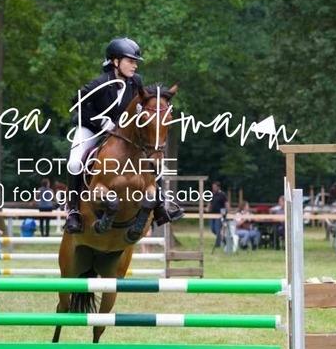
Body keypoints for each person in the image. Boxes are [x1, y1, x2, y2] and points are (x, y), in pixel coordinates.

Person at [64, 37, 183, 233]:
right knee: (75, 164)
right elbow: (76, 103)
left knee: (153, 156)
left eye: (136, 62)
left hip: (121, 130)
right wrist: (100, 121)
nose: (135, 66)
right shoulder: (101, 83)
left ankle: (160, 206)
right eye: (130, 61)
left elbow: (146, 101)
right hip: (91, 127)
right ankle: (74, 211)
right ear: (115, 61)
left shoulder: (136, 81)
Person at [207, 181, 229, 248]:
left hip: (219, 214)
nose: (213, 188)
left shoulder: (223, 195)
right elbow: (210, 202)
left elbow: (226, 204)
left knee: (217, 229)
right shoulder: (212, 194)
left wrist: (226, 212)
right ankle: (223, 238)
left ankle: (218, 244)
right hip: (212, 214)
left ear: (219, 187)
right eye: (213, 187)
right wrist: (207, 208)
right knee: (213, 229)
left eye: (215, 187)